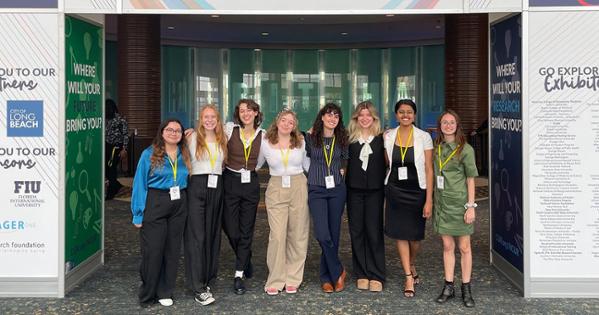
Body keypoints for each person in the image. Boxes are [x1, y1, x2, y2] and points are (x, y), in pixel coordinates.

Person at [131, 118, 191, 307]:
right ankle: (148, 293)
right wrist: (138, 213)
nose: (174, 133)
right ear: (162, 132)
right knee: (153, 250)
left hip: (179, 203)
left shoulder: (185, 153)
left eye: (178, 131)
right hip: (156, 201)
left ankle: (165, 291)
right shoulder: (149, 154)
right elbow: (139, 184)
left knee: (172, 250)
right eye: (170, 130)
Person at [383, 99, 433, 298]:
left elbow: (429, 169)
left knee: (415, 236)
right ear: (396, 115)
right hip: (395, 190)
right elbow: (388, 163)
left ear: (414, 115)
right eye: (401, 112)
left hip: (417, 191)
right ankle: (408, 276)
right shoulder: (388, 136)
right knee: (400, 234)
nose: (405, 115)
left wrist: (429, 199)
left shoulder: (424, 137)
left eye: (409, 112)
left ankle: (412, 262)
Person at [257, 109, 311, 296]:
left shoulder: (301, 142)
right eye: (284, 120)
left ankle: (293, 278)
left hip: (298, 185)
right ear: (277, 121)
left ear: (295, 125)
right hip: (276, 186)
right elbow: (255, 163)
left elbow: (308, 165)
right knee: (277, 235)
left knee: (298, 233)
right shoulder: (265, 142)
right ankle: (276, 279)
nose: (287, 124)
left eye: (291, 122)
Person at [433, 110, 478, 308]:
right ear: (440, 126)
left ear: (457, 126)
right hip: (442, 204)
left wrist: (471, 207)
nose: (448, 125)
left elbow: (470, 180)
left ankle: (466, 288)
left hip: (460, 205)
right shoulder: (437, 148)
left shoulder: (465, 149)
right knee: (448, 247)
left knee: (464, 247)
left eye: (452, 122)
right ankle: (448, 286)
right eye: (445, 122)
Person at [184, 105, 227, 306]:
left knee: (212, 235)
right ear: (200, 119)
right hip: (197, 187)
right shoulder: (191, 138)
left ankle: (207, 278)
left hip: (217, 186)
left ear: (218, 120)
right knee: (197, 237)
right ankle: (197, 287)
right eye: (205, 117)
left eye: (213, 117)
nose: (209, 120)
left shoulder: (222, 139)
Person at [305, 103, 349, 293]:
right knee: (322, 233)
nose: (332, 118)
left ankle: (327, 277)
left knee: (334, 233)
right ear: (322, 117)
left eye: (336, 116)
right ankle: (339, 270)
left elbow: (346, 158)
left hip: (337, 189)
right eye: (329, 115)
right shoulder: (310, 137)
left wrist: (343, 170)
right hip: (316, 189)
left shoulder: (343, 138)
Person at [222, 99, 264, 295]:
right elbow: (210, 133)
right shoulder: (230, 129)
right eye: (241, 111)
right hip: (230, 181)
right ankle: (245, 256)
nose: (245, 114)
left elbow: (262, 160)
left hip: (250, 184)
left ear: (256, 113)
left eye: (249, 110)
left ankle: (238, 274)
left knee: (246, 228)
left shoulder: (263, 136)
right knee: (231, 228)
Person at [345, 101, 386, 292]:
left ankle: (377, 274)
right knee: (356, 232)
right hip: (353, 191)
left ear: (374, 118)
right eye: (361, 115)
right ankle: (361, 272)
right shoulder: (348, 139)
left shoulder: (382, 139)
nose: (364, 118)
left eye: (368, 115)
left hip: (375, 192)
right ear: (356, 118)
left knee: (374, 232)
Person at [105, 99, 129, 200]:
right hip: (106, 146)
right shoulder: (103, 119)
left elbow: (125, 135)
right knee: (106, 169)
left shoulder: (120, 120)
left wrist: (125, 149)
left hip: (116, 147)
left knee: (112, 168)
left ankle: (111, 192)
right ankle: (115, 185)